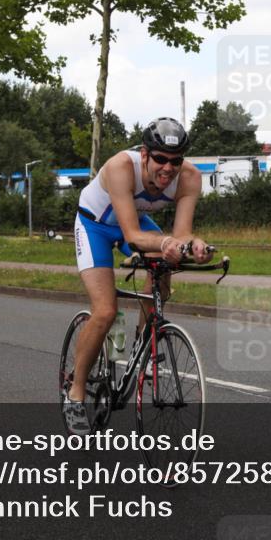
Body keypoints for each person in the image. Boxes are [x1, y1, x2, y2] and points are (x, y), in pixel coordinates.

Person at [65, 117, 213, 435]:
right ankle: (75, 393)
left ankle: (144, 346)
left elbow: (182, 233)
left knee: (163, 274)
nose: (168, 168)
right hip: (95, 226)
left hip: (136, 223)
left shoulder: (189, 177)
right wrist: (168, 243)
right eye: (160, 158)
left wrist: (195, 246)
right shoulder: (121, 167)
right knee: (105, 310)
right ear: (145, 154)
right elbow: (132, 235)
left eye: (175, 160)